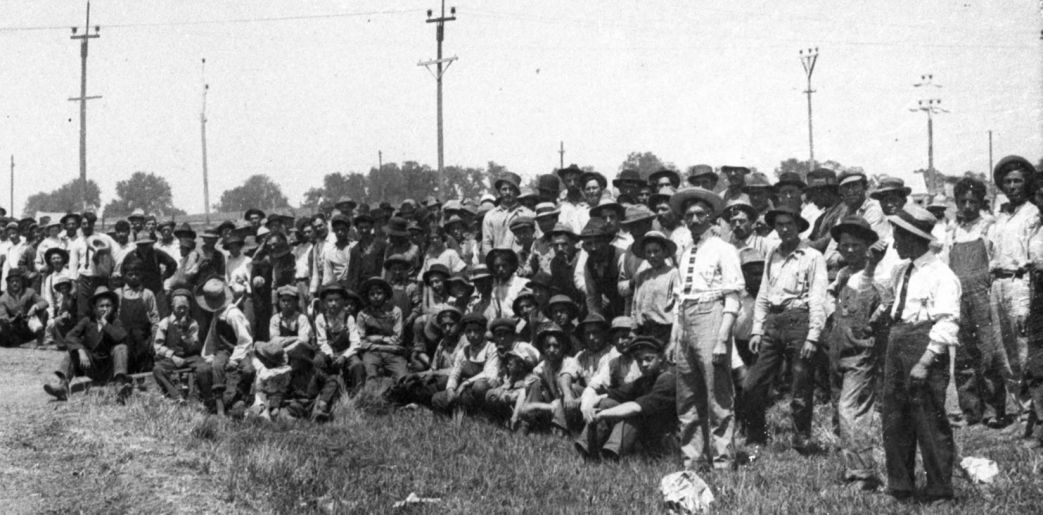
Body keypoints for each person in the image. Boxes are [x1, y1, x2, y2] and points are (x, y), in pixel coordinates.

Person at [880, 205, 961, 504]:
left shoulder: (942, 275)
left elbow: (947, 322)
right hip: (897, 342)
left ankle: (940, 489)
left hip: (923, 346)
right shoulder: (902, 271)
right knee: (895, 417)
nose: (894, 244)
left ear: (913, 238)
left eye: (898, 237)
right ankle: (900, 486)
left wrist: (926, 361)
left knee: (928, 418)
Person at [669, 186, 744, 470]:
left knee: (718, 395)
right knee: (687, 396)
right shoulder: (685, 252)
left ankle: (723, 462)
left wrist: (723, 338)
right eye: (689, 215)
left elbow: (733, 296)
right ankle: (693, 461)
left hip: (711, 314)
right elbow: (680, 297)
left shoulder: (724, 249)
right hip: (686, 320)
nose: (694, 220)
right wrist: (675, 335)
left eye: (700, 214)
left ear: (711, 216)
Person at [744, 205, 828, 451]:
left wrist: (813, 335)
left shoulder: (812, 256)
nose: (784, 229)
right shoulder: (773, 254)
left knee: (800, 384)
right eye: (779, 225)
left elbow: (818, 297)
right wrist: (757, 329)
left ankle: (801, 439)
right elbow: (763, 293)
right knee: (752, 384)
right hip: (773, 321)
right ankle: (756, 437)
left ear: (798, 226)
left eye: (789, 224)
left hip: (799, 320)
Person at [827, 216, 885, 489]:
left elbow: (886, 304)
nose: (849, 250)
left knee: (851, 411)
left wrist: (872, 324)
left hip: (861, 352)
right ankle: (852, 468)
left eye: (856, 245)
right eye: (844, 245)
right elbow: (833, 300)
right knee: (841, 411)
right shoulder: (842, 274)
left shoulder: (876, 274)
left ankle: (863, 473)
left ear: (867, 247)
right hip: (839, 348)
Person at [945, 177, 1006, 427]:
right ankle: (970, 410)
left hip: (983, 295)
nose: (968, 206)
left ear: (981, 202)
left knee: (988, 352)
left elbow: (996, 259)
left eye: (973, 201)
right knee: (963, 354)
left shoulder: (989, 227)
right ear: (957, 203)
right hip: (959, 297)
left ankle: (993, 410)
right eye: (963, 202)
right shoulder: (952, 231)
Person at [989, 155, 1040, 423]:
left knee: (1022, 344)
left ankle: (1032, 407)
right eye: (1007, 181)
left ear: (1026, 182)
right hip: (998, 283)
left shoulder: (1032, 214)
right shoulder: (1001, 216)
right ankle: (1020, 405)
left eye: (1017, 181)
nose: (1012, 186)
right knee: (1003, 347)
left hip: (1020, 282)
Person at [574, 335, 678, 460]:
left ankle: (612, 456)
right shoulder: (644, 381)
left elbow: (637, 407)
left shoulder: (668, 380)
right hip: (648, 433)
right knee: (606, 403)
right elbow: (616, 393)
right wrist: (595, 400)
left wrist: (602, 414)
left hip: (665, 438)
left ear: (661, 358)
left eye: (649, 359)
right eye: (639, 361)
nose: (644, 364)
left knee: (633, 415)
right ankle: (586, 451)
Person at [43, 286, 132, 403]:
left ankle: (119, 385)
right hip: (92, 365)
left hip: (109, 367)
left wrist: (105, 324)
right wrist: (80, 350)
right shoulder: (87, 321)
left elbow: (121, 336)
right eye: (101, 306)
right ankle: (62, 386)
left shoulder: (115, 322)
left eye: (108, 306)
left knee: (121, 347)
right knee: (72, 351)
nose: (105, 309)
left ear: (113, 307)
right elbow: (70, 336)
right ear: (94, 308)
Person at [198, 277, 255, 416]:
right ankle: (218, 404)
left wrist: (235, 359)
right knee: (216, 365)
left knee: (248, 370)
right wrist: (210, 354)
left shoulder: (233, 315)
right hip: (224, 350)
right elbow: (212, 335)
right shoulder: (217, 313)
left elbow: (245, 340)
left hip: (240, 348)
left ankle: (240, 396)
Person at [152, 288, 214, 408]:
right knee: (157, 369)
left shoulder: (193, 323)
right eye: (179, 307)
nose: (182, 311)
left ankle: (207, 399)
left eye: (184, 308)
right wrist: (172, 356)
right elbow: (158, 346)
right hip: (172, 358)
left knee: (205, 368)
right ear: (172, 306)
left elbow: (194, 344)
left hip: (190, 357)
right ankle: (176, 396)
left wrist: (184, 333)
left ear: (189, 307)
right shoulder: (165, 323)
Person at [432, 313, 499, 414]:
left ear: (483, 331)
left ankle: (481, 412)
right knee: (436, 398)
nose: (472, 335)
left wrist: (465, 383)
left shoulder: (491, 348)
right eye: (468, 331)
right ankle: (461, 408)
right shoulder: (464, 351)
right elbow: (455, 373)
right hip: (466, 390)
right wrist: (450, 389)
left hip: (482, 389)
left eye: (476, 331)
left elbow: (489, 373)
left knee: (479, 386)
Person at [314, 281, 366, 399]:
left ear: (343, 302)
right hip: (328, 352)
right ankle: (322, 392)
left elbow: (355, 343)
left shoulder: (349, 318)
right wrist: (330, 355)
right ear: (324, 303)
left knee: (357, 364)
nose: (333, 304)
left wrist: (344, 356)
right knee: (317, 361)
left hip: (345, 352)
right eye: (330, 300)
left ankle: (357, 395)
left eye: (337, 300)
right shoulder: (321, 318)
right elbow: (322, 342)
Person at [356, 276, 408, 384]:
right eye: (372, 294)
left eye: (379, 293)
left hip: (393, 353)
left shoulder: (396, 312)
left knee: (403, 377)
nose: (376, 296)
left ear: (385, 294)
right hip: (372, 352)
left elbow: (398, 339)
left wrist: (375, 338)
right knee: (370, 375)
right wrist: (384, 344)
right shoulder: (363, 314)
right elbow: (361, 342)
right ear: (367, 296)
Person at [631, 231, 678, 344]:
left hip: (664, 329)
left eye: (656, 251)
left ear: (664, 252)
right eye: (648, 252)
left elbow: (677, 306)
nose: (652, 256)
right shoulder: (642, 276)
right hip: (644, 330)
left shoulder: (673, 274)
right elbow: (635, 304)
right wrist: (633, 328)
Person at [116, 257, 161, 374]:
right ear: (124, 275)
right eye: (130, 274)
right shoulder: (118, 293)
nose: (133, 277)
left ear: (142, 275)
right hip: (124, 338)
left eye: (137, 274)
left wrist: (154, 339)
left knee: (144, 368)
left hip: (143, 339)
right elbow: (115, 318)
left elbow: (155, 319)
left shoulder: (147, 294)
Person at [579, 218, 626, 320]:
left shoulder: (621, 257)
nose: (593, 248)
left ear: (607, 241)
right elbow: (592, 298)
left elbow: (630, 294)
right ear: (584, 247)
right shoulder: (589, 265)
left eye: (597, 242)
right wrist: (597, 321)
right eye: (589, 244)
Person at [483, 172, 534, 255]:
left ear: (516, 192)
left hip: (522, 259)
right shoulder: (490, 216)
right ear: (499, 192)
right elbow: (486, 243)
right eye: (504, 189)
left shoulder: (528, 214)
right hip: (498, 260)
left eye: (511, 189)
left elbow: (534, 241)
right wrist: (492, 259)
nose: (507, 192)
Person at [0, 268, 47, 347]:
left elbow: (44, 302)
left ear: (22, 281)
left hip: (30, 325)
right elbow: (3, 318)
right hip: (15, 328)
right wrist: (15, 318)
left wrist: (35, 307)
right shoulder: (3, 299)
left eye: (17, 281)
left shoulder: (30, 292)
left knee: (44, 312)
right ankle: (14, 342)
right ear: (8, 283)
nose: (15, 283)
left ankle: (40, 341)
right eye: (12, 281)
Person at [557, 164, 591, 235]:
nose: (572, 184)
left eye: (575, 180)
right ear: (564, 182)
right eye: (569, 181)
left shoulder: (589, 202)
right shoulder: (559, 204)